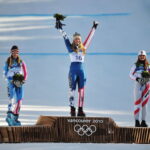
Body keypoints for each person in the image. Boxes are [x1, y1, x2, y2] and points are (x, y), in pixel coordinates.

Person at [55, 18, 99, 117]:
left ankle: (80, 110)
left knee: (82, 90)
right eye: (75, 39)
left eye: (79, 39)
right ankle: (72, 109)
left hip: (81, 70)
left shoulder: (84, 47)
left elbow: (89, 37)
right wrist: (60, 28)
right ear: (73, 40)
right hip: (73, 70)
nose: (77, 40)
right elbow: (65, 38)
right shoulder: (70, 47)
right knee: (72, 89)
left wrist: (94, 28)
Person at [3, 45, 27, 126]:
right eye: (13, 51)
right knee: (11, 98)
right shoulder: (8, 61)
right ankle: (10, 115)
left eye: (16, 51)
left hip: (19, 81)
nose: (15, 53)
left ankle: (15, 117)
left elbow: (25, 72)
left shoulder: (21, 61)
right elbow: (5, 73)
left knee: (20, 99)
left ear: (18, 52)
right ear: (11, 52)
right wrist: (10, 79)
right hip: (11, 81)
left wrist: (23, 80)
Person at [129, 50, 150, 127]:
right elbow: (130, 74)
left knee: (145, 104)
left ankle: (143, 121)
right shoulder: (135, 65)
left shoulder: (148, 65)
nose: (142, 57)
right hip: (138, 84)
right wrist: (137, 79)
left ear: (145, 57)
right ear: (138, 57)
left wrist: (147, 78)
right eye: (140, 56)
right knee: (137, 103)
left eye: (143, 56)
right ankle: (137, 121)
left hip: (146, 85)